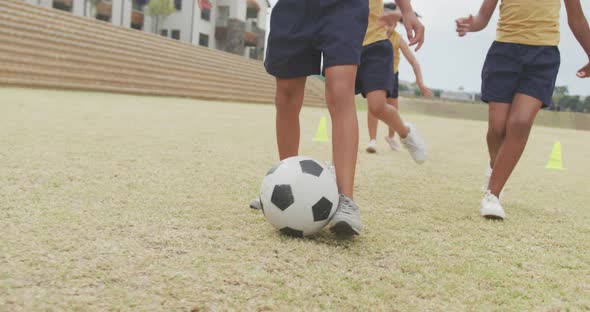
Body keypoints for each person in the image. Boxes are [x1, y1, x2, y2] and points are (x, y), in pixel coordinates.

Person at [250, 0, 425, 236]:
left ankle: (346, 200)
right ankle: (287, 180)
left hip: (346, 6)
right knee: (287, 95)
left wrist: (407, 11)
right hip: (293, 7)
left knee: (340, 91)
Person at [456, 0, 590, 219]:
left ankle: (493, 195)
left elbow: (576, 19)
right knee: (497, 129)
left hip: (543, 58)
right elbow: (483, 16)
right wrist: (471, 25)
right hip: (504, 54)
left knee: (520, 123)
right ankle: (495, 169)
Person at [357, 0, 428, 164]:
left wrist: (421, 84)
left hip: (386, 66)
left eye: (393, 23)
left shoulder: (396, 38)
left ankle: (402, 134)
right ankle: (371, 140)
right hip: (345, 41)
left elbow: (414, 62)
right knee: (342, 105)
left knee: (378, 106)